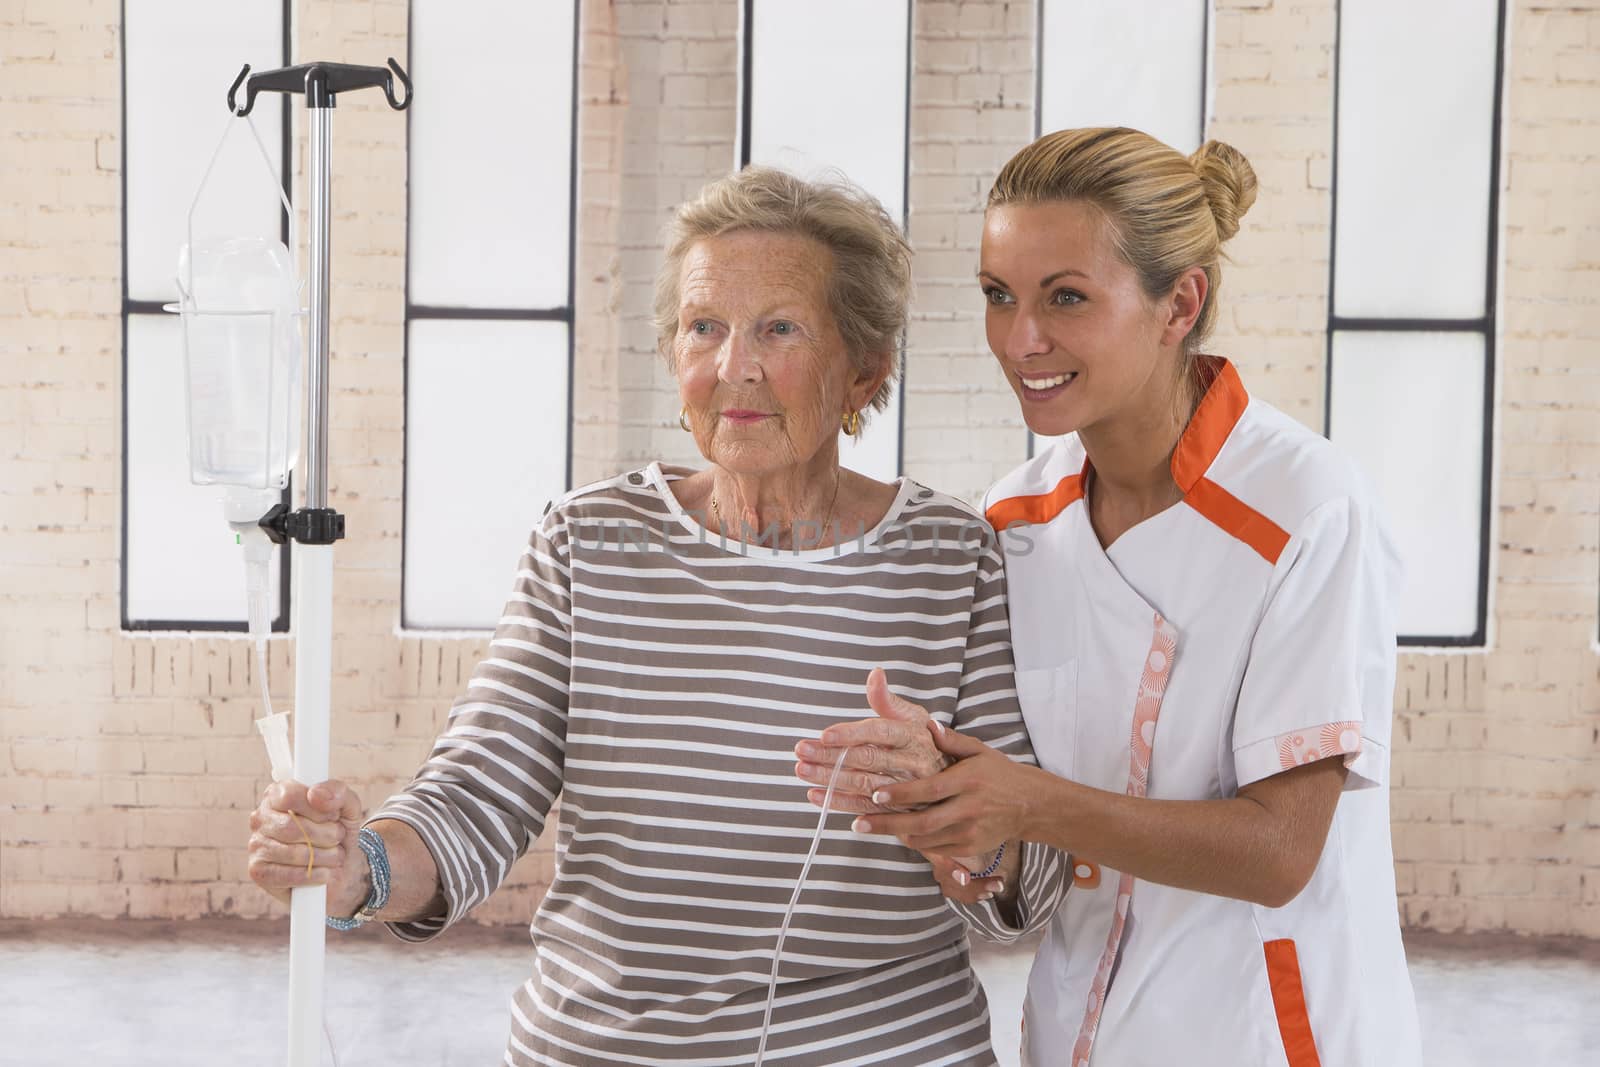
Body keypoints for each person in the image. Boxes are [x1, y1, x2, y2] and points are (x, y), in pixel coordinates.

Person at [246, 166, 1063, 1066]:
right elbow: (476, 796)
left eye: (779, 329)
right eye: (703, 327)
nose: (732, 367)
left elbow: (1029, 867)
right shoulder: (587, 541)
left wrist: (950, 812)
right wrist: (356, 868)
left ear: (864, 371)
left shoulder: (954, 555)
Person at [800, 128, 1423, 1066]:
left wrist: (1028, 801)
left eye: (1067, 299)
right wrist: (954, 798)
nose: (1021, 340)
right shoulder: (1016, 518)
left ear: (1181, 303)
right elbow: (1023, 864)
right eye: (998, 295)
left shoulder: (1308, 511)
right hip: (1076, 1033)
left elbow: (1278, 852)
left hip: (1265, 1037)